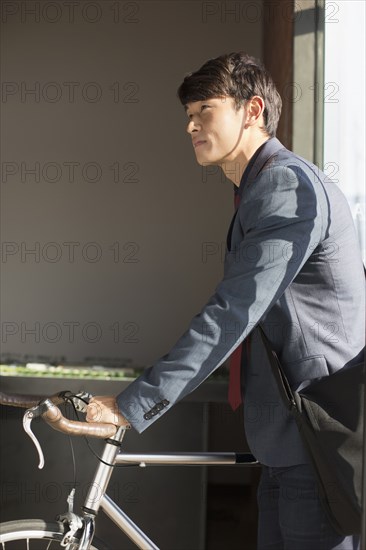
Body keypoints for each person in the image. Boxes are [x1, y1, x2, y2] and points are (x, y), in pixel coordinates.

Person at [86, 52, 364, 549]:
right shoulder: (256, 190)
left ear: (252, 110)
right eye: (188, 115)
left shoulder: (286, 185)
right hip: (286, 444)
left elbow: (234, 311)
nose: (190, 124)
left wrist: (134, 404)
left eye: (204, 110)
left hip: (316, 440)